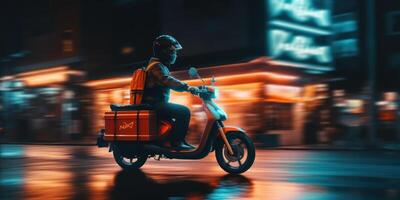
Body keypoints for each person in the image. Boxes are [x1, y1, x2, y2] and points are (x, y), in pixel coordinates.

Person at [142, 35, 199, 151]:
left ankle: (177, 141)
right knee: (184, 111)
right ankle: (176, 143)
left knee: (177, 116)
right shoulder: (156, 67)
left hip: (157, 103)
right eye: (172, 51)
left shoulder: (160, 66)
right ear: (163, 52)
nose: (175, 55)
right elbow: (167, 80)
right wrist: (187, 87)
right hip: (153, 104)